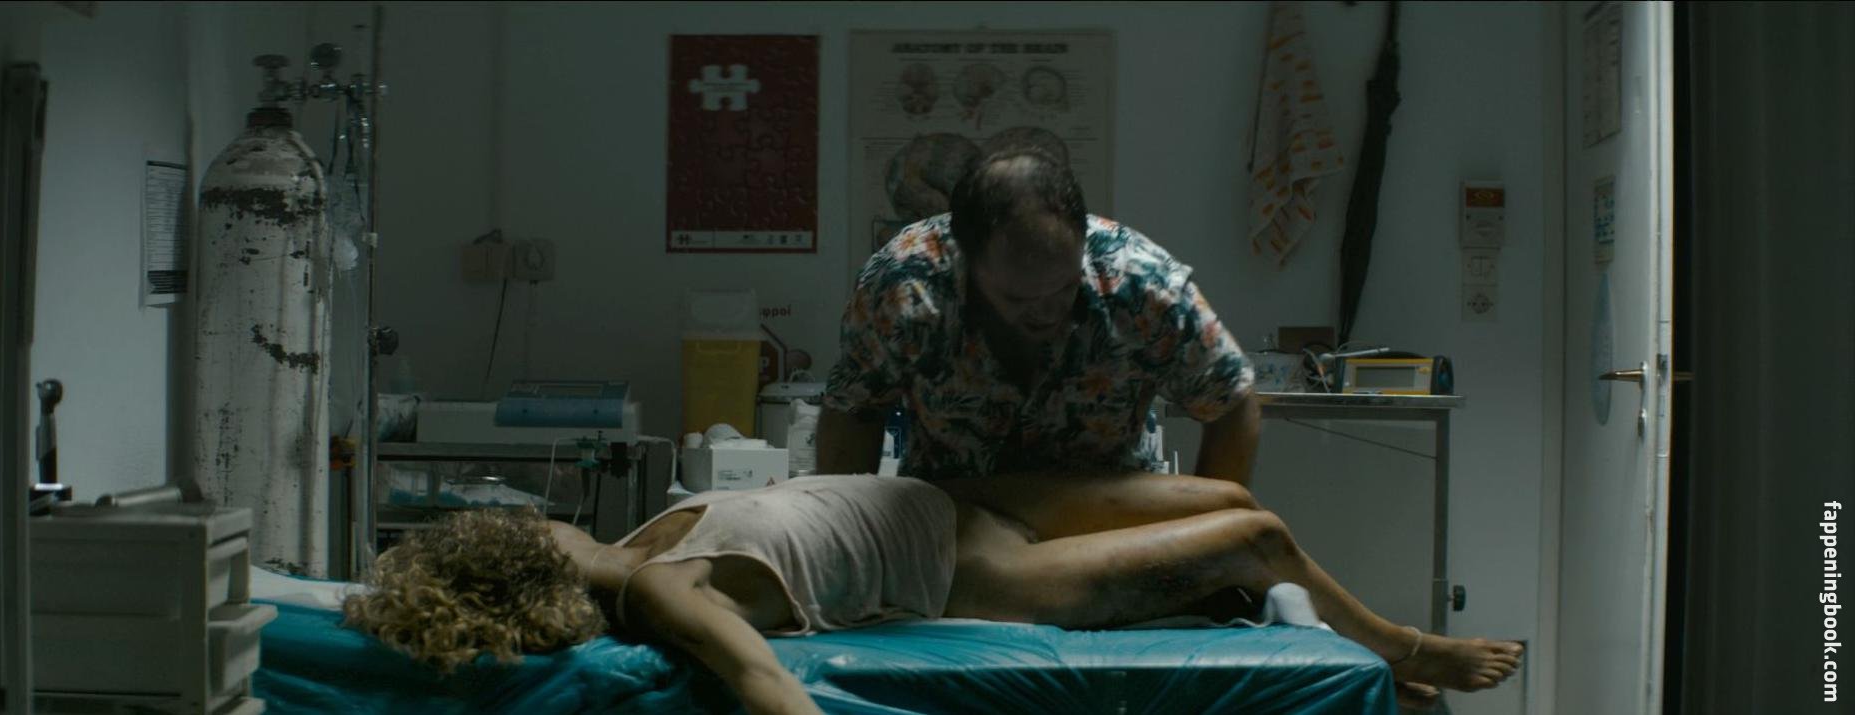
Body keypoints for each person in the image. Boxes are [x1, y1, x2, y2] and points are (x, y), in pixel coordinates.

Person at [344, 473, 1522, 715]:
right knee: (1258, 537)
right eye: (529, 531)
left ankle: (1375, 644)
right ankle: (1406, 651)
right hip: (974, 569)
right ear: (534, 569)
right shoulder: (659, 586)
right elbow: (767, 686)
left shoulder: (641, 531)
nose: (540, 519)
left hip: (963, 498)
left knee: (1226, 492)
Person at [819, 149, 1263, 487]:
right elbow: (855, 412)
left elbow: (1232, 402)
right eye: (1019, 298)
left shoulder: (1142, 285)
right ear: (967, 261)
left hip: (1104, 509)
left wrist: (1213, 527)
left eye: (1065, 287)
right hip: (953, 514)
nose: (1049, 311)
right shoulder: (904, 288)